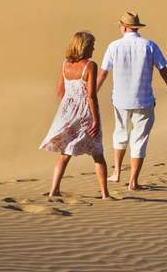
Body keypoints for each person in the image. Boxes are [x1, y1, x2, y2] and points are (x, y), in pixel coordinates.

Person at [97, 12, 167, 191]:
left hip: (120, 100)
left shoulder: (114, 46)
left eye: (121, 25)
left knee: (120, 134)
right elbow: (163, 70)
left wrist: (91, 94)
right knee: (139, 139)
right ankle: (133, 182)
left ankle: (117, 173)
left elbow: (103, 74)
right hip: (144, 100)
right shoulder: (149, 46)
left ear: (125, 27)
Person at [39, 31, 112, 199]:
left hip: (67, 113)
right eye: (92, 45)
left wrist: (67, 109)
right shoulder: (90, 65)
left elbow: (60, 91)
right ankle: (105, 194)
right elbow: (91, 95)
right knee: (98, 153)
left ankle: (53, 190)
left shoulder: (65, 64)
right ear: (84, 47)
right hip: (86, 113)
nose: (94, 48)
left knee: (65, 153)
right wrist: (96, 120)